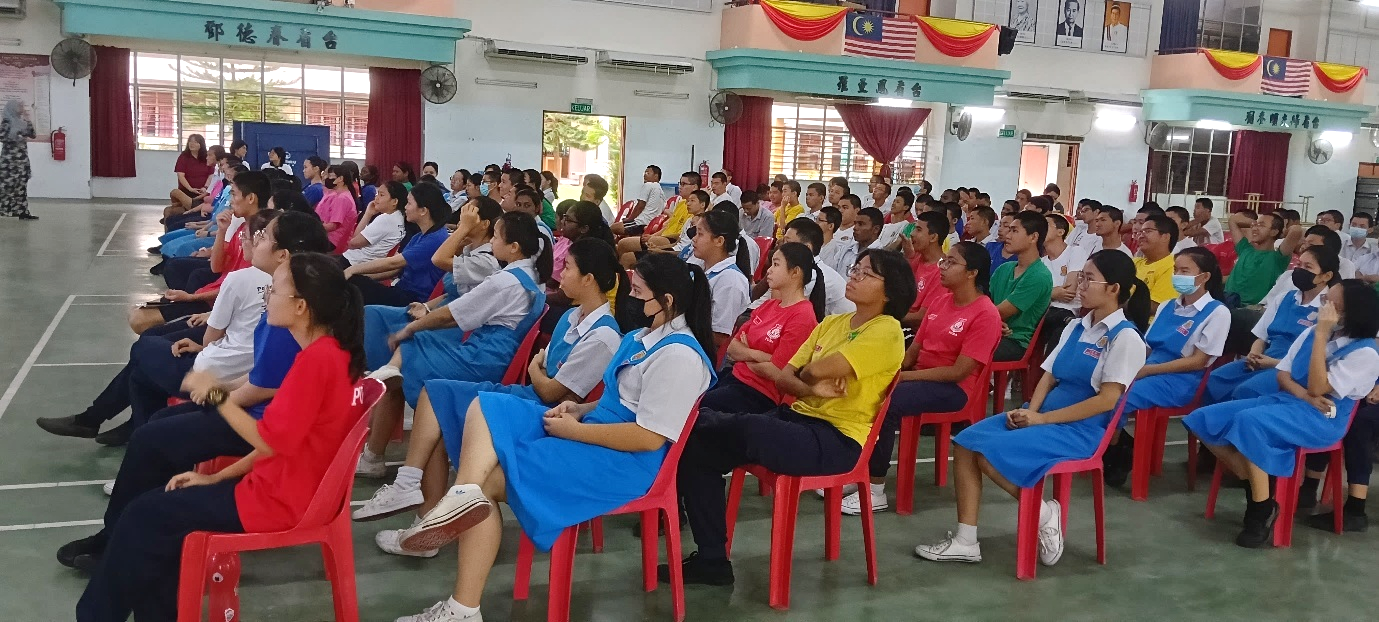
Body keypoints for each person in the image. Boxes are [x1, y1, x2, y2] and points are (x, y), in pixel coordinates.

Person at [391, 253, 715, 622]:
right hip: (595, 431)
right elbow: (619, 399)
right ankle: (460, 499)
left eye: (639, 294)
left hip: (626, 462)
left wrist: (576, 430)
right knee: (484, 407)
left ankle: (461, 605)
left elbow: (649, 438)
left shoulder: (679, 357)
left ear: (668, 301)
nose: (631, 301)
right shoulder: (645, 336)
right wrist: (579, 410)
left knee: (488, 485)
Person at [75, 251, 366, 622]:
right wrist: (213, 477)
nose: (266, 296)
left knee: (143, 517)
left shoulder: (316, 362)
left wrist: (214, 394)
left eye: (274, 290)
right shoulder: (335, 354)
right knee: (156, 520)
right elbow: (282, 443)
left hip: (278, 501)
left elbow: (268, 441)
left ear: (301, 306)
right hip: (282, 486)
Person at [352, 239, 628, 543]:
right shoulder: (571, 317)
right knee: (435, 396)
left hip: (544, 412)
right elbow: (546, 370)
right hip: (527, 394)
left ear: (588, 279)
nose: (561, 272)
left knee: (438, 404)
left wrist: (537, 371)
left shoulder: (603, 336)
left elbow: (552, 392)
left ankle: (419, 509)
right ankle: (413, 495)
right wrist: (540, 371)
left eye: (569, 267)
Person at [667, 249, 912, 586]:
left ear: (890, 290)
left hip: (837, 439)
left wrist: (808, 374)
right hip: (797, 418)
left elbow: (813, 369)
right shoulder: (832, 323)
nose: (854, 275)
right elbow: (783, 377)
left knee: (747, 424)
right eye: (856, 268)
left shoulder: (887, 331)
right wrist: (812, 387)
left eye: (867, 273)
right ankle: (712, 560)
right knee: (697, 450)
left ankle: (703, 418)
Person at [916, 250, 1149, 565]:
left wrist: (1042, 418)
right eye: (1081, 276)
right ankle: (966, 540)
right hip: (1042, 416)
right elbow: (1048, 376)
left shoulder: (1126, 338)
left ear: (1114, 289)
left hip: (1081, 430)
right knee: (967, 441)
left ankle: (1042, 512)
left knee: (987, 452)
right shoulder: (1076, 327)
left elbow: (1107, 400)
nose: (1080, 284)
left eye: (1089, 278)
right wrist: (1030, 410)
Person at [1183, 280, 1379, 548]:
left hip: (1324, 418)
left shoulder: (1365, 352)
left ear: (1350, 313)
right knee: (1202, 418)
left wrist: (1321, 336)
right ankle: (1259, 490)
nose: (1323, 308)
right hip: (1288, 401)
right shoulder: (1311, 333)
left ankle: (1259, 509)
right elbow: (1282, 375)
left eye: (1331, 304)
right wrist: (1304, 394)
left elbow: (1319, 386)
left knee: (1249, 422)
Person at [356, 212, 551, 479]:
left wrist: (409, 329)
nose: (493, 242)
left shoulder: (506, 280)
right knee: (403, 363)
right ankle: (373, 451)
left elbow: (453, 314)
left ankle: (377, 457)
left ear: (514, 247)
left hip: (482, 359)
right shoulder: (530, 275)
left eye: (496, 236)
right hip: (491, 352)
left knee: (411, 348)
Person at [853, 241, 1003, 514]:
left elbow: (959, 371)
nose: (942, 267)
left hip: (954, 389)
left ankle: (875, 489)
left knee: (889, 401)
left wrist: (903, 379)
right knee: (866, 384)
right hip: (921, 376)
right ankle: (856, 471)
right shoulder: (940, 301)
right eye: (943, 260)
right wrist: (890, 370)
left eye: (951, 262)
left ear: (972, 273)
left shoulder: (985, 313)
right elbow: (912, 353)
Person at [1103, 247, 1230, 484]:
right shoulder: (1167, 306)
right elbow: (1148, 347)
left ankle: (1114, 452)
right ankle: (1119, 445)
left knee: (1117, 396)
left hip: (1184, 380)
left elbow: (1199, 361)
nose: (1177, 275)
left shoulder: (1217, 312)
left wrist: (1147, 370)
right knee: (1102, 382)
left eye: (1185, 271)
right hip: (1149, 368)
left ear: (1204, 277)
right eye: (1175, 270)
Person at [1206, 246, 1338, 405]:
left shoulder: (1330, 309)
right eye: (1300, 265)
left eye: (1308, 267)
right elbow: (1262, 336)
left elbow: (1320, 356)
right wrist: (1254, 354)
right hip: (1264, 360)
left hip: (1293, 370)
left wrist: (1273, 363)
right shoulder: (1284, 298)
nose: (1300, 270)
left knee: (1247, 390)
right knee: (1215, 379)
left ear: (1326, 276)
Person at [705, 242, 825, 414]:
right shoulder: (769, 305)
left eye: (776, 264)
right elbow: (732, 348)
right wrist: (760, 356)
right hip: (735, 377)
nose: (769, 270)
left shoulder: (803, 316)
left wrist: (746, 355)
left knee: (698, 410)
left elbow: (777, 372)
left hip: (758, 394)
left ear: (795, 272)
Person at [345, 184, 451, 307]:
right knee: (352, 283)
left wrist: (352, 269)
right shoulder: (420, 236)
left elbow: (393, 263)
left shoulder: (435, 238)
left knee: (350, 288)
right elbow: (396, 270)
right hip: (401, 290)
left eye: (409, 203)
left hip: (413, 299)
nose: (405, 207)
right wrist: (361, 277)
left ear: (423, 210)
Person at [990, 212, 1053, 361]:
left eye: (1014, 231)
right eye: (1008, 230)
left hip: (1015, 340)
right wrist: (992, 322)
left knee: (965, 347)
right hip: (992, 329)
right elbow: (985, 303)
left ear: (1033, 237)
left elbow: (1002, 312)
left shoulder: (1039, 275)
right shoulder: (1004, 269)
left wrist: (989, 320)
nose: (1008, 235)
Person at [692, 208, 753, 353]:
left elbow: (720, 336)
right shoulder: (702, 268)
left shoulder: (730, 281)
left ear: (719, 241)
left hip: (704, 352)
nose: (694, 239)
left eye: (700, 234)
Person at [429, 196, 504, 306]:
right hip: (446, 306)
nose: (464, 219)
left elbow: (438, 259)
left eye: (470, 215)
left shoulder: (486, 261)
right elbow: (452, 294)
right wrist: (426, 307)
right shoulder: (470, 248)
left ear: (485, 224)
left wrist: (464, 227)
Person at [1041, 213, 1088, 351]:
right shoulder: (1041, 262)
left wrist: (1046, 293)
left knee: (1060, 331)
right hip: (1044, 311)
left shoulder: (1075, 252)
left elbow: (1069, 291)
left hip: (1067, 310)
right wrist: (1053, 292)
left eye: (1046, 225)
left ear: (1060, 232)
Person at [1224, 210, 1289, 307]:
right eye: (1254, 225)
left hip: (1251, 309)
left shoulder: (1278, 258)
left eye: (1261, 226)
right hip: (1227, 301)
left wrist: (1283, 231)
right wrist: (1256, 223)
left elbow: (1296, 230)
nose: (1254, 228)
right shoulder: (1245, 249)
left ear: (1274, 232)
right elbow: (1233, 220)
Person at [900, 211, 950, 327]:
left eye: (918, 230)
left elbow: (922, 316)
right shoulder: (916, 258)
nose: (912, 234)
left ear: (933, 237)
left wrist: (889, 316)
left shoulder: (942, 270)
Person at [342, 180, 407, 267]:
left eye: (381, 195)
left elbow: (353, 243)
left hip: (354, 262)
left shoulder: (386, 219)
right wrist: (369, 213)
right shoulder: (399, 217)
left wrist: (367, 215)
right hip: (367, 263)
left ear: (394, 201)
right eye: (377, 194)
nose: (376, 198)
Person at [1134, 214, 1181, 309]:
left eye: (1147, 231)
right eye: (1140, 232)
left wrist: (1114, 304)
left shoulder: (1172, 266)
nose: (1141, 236)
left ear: (1165, 237)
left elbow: (1153, 306)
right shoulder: (1134, 262)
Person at [166, 133, 213, 218]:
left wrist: (205, 188)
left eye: (195, 142)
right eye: (190, 142)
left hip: (201, 193)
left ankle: (183, 207)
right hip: (186, 191)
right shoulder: (184, 157)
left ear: (201, 144)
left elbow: (211, 175)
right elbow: (180, 176)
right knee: (172, 199)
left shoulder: (206, 157)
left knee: (170, 208)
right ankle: (181, 206)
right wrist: (190, 189)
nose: (192, 144)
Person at [317, 165, 360, 254]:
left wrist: (313, 227)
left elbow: (333, 226)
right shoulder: (338, 195)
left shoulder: (342, 198)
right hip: (330, 238)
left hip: (334, 241)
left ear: (340, 179)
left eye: (330, 176)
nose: (327, 178)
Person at [614, 165, 666, 236]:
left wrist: (630, 219)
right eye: (644, 172)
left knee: (612, 228)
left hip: (640, 223)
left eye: (648, 173)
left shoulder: (648, 185)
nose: (644, 175)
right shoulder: (661, 192)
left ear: (656, 176)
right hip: (651, 225)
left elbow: (640, 205)